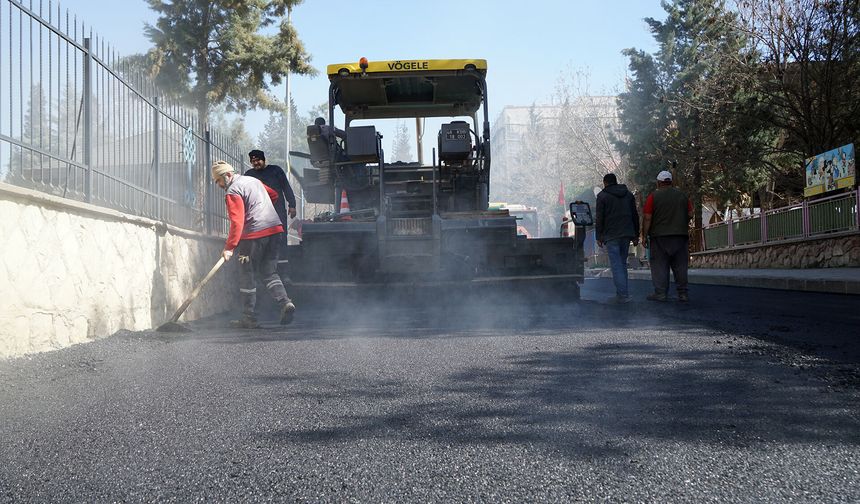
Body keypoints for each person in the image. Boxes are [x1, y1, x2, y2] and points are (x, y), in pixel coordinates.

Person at [212, 160, 296, 328]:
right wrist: (261, 208)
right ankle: (285, 302)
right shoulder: (254, 181)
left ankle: (249, 317)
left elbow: (237, 222)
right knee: (269, 272)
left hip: (254, 237)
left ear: (228, 175)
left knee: (247, 274)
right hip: (275, 231)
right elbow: (273, 195)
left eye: (219, 181)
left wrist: (229, 248)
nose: (219, 185)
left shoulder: (233, 191)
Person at [640, 170, 693, 303]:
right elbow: (691, 214)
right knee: (680, 266)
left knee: (659, 266)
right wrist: (682, 223)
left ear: (658, 183)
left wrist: (644, 235)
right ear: (671, 182)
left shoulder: (653, 196)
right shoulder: (682, 196)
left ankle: (661, 293)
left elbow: (647, 217)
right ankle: (683, 294)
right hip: (680, 237)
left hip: (659, 238)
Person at [595, 173, 639, 303]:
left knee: (616, 265)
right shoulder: (628, 195)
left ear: (605, 183)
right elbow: (634, 215)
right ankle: (622, 293)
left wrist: (599, 236)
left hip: (611, 235)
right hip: (626, 234)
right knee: (622, 263)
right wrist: (636, 235)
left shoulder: (602, 196)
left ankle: (623, 295)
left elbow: (599, 218)